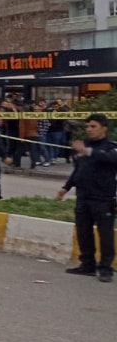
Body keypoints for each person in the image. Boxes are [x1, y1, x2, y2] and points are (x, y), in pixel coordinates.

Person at [57, 114, 117, 283]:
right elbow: (78, 170)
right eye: (87, 127)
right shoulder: (85, 146)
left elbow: (110, 158)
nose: (89, 130)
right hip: (83, 197)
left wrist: (88, 152)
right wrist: (66, 187)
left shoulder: (111, 147)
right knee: (83, 232)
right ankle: (87, 265)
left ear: (104, 128)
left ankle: (105, 269)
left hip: (103, 198)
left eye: (93, 126)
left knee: (105, 235)